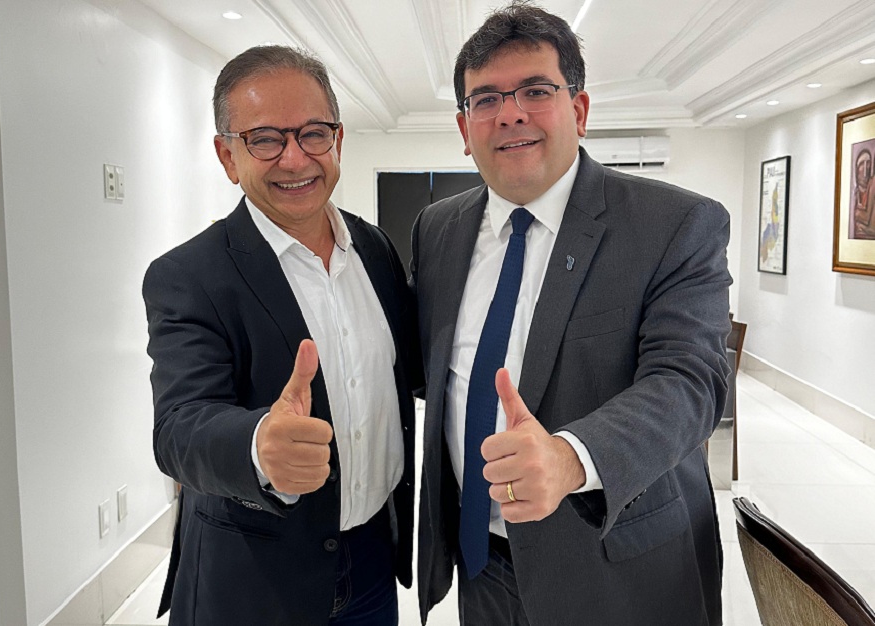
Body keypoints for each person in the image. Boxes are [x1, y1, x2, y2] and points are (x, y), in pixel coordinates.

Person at [411, 3, 732, 625]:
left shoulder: (674, 223)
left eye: (536, 90)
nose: (510, 113)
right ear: (464, 127)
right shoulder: (437, 228)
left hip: (617, 570)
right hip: (481, 567)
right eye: (486, 99)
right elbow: (433, 367)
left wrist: (569, 457)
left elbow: (690, 382)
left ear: (579, 111)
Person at [143, 45, 418, 625]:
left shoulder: (375, 249)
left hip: (373, 561)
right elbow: (177, 428)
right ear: (228, 155)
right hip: (255, 579)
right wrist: (258, 446)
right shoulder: (188, 275)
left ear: (338, 141)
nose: (295, 159)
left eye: (313, 133)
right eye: (265, 139)